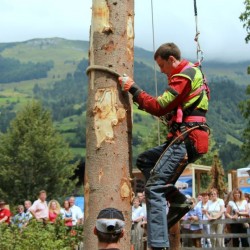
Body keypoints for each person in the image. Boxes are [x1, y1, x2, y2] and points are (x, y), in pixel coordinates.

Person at [118, 42, 209, 249]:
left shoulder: (185, 75)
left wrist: (133, 88)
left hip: (187, 138)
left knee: (154, 188)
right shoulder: (191, 74)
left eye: (162, 66)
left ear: (171, 60)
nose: (161, 71)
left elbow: (159, 106)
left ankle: (158, 245)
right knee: (145, 160)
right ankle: (177, 200)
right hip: (188, 136)